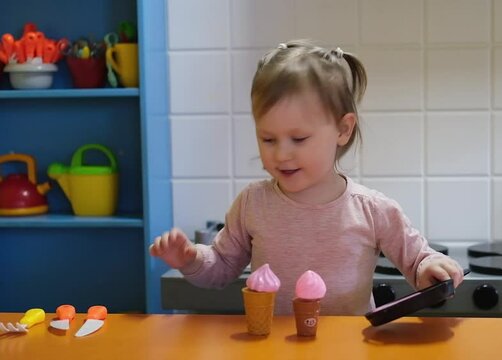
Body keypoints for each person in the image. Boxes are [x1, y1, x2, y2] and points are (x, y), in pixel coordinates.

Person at [150, 39, 464, 315]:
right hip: (272, 350)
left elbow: (418, 260)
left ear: (343, 129)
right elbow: (219, 269)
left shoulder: (371, 209)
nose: (281, 154)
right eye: (268, 139)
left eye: (298, 139)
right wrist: (189, 258)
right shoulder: (252, 203)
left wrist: (429, 268)